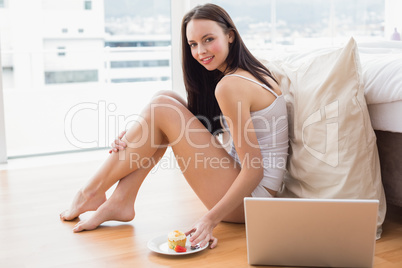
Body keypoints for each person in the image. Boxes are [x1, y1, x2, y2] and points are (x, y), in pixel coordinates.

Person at [60, 3, 288, 249]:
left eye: (208, 39)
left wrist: (209, 220)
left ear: (230, 35)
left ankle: (91, 192)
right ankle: (121, 200)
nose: (201, 51)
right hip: (249, 186)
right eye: (193, 44)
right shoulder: (248, 72)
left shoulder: (230, 85)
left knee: (162, 110)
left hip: (251, 199)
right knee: (164, 98)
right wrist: (141, 131)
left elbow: (254, 170)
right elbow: (196, 122)